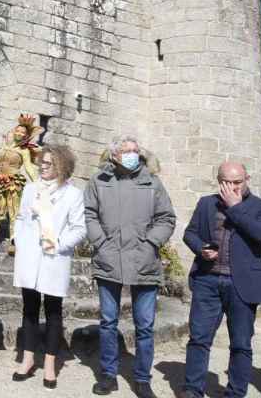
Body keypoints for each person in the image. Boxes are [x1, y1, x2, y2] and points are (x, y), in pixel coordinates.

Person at [181, 162, 261, 398]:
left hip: (242, 284)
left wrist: (235, 207)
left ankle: (235, 393)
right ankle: (192, 389)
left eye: (237, 182)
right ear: (219, 181)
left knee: (240, 343)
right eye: (226, 183)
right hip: (207, 279)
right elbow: (190, 233)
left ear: (247, 179)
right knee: (198, 338)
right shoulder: (206, 203)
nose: (232, 187)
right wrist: (201, 248)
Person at [84, 135, 176, 398]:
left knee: (145, 326)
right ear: (114, 154)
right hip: (109, 258)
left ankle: (142, 379)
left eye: (135, 150)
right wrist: (101, 242)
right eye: (126, 150)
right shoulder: (99, 181)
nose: (132, 154)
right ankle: (108, 375)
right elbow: (89, 213)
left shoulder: (152, 182)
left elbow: (167, 218)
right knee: (108, 322)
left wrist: (151, 243)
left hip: (144, 260)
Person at [11, 145, 86, 390]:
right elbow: (20, 218)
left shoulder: (72, 194)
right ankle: (28, 359)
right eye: (41, 162)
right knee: (29, 308)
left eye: (48, 163)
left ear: (62, 166)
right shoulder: (30, 189)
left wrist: (59, 243)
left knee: (53, 312)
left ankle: (50, 363)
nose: (42, 167)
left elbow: (79, 229)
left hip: (54, 258)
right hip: (30, 257)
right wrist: (19, 240)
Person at [0, 149, 28, 255]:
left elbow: (29, 167)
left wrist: (38, 184)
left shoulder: (24, 150)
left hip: (15, 183)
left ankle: (14, 242)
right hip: (1, 181)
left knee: (14, 213)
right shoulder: (5, 148)